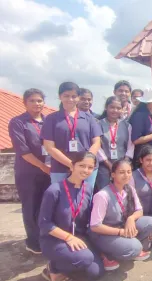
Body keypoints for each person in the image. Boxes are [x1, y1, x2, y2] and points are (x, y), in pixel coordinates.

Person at [38, 152, 104, 280]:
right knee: (85, 259)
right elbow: (44, 224)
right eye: (82, 165)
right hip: (54, 239)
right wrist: (68, 237)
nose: (86, 170)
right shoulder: (54, 190)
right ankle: (54, 267)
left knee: (96, 272)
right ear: (72, 166)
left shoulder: (88, 189)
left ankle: (67, 266)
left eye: (90, 167)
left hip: (78, 237)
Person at [89, 158, 152, 268]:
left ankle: (125, 247)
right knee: (135, 248)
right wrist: (120, 232)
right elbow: (95, 226)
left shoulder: (130, 189)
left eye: (129, 172)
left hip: (123, 227)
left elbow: (139, 210)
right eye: (121, 172)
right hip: (104, 234)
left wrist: (131, 219)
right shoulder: (103, 195)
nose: (126, 175)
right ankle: (105, 254)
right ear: (113, 175)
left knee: (150, 222)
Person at [8, 88, 52, 254]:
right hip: (28, 172)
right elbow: (23, 150)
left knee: (46, 206)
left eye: (39, 100)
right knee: (31, 206)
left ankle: (46, 237)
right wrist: (42, 166)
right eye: (32, 100)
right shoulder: (18, 122)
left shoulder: (48, 121)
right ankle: (33, 242)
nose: (36, 104)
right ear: (25, 103)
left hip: (48, 171)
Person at [41, 82, 102, 189]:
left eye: (74, 96)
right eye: (66, 96)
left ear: (78, 98)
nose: (70, 99)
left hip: (86, 169)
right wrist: (71, 164)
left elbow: (96, 142)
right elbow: (49, 147)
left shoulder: (89, 118)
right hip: (60, 168)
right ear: (60, 97)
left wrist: (85, 163)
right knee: (60, 199)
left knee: (85, 199)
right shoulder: (51, 119)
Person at [128, 145, 152, 250]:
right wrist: (147, 226)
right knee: (145, 247)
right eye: (148, 160)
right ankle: (141, 235)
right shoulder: (133, 176)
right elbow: (130, 201)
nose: (151, 163)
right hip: (140, 216)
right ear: (141, 160)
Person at [96, 96, 134, 191]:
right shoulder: (98, 124)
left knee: (123, 191)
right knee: (104, 192)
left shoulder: (126, 125)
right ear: (106, 107)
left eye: (118, 108)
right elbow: (97, 146)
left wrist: (125, 161)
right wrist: (108, 163)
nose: (115, 110)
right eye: (112, 107)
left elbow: (131, 145)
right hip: (104, 167)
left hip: (123, 166)